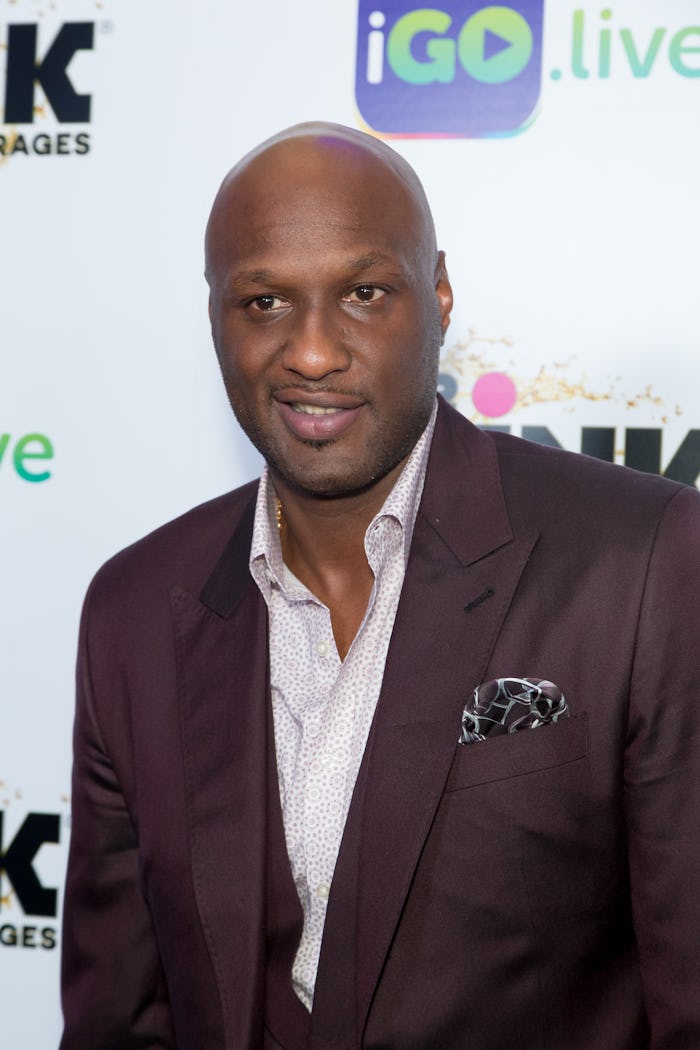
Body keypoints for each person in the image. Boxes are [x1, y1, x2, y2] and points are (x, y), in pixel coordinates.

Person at [60, 122, 700, 1050]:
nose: (313, 353)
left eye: (364, 294)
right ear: (214, 318)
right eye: (266, 301)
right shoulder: (134, 612)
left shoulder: (639, 562)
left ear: (437, 293)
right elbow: (118, 1017)